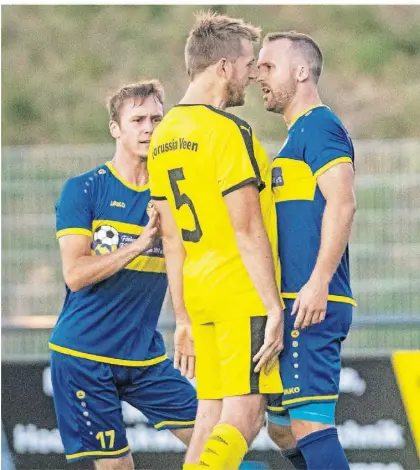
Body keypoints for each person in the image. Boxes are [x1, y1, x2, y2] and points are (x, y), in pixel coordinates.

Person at [147, 12, 284, 470]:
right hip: (240, 292)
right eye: (248, 65)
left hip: (200, 293)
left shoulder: (163, 135)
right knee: (246, 414)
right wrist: (274, 306)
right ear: (224, 67)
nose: (251, 75)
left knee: (210, 411)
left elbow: (171, 237)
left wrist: (182, 316)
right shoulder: (228, 131)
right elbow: (247, 229)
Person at [49, 81, 197, 469]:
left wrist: (188, 322)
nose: (149, 128)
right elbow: (76, 274)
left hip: (144, 355)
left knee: (215, 438)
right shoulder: (84, 189)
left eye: (156, 119)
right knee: (117, 466)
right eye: (137, 119)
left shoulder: (174, 195)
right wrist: (137, 244)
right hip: (84, 356)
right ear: (115, 128)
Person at [257, 32, 357, 470]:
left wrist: (317, 283)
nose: (259, 75)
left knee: (310, 425)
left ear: (300, 72)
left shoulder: (318, 124)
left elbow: (343, 200)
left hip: (312, 302)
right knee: (280, 426)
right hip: (291, 305)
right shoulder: (296, 134)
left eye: (268, 66)